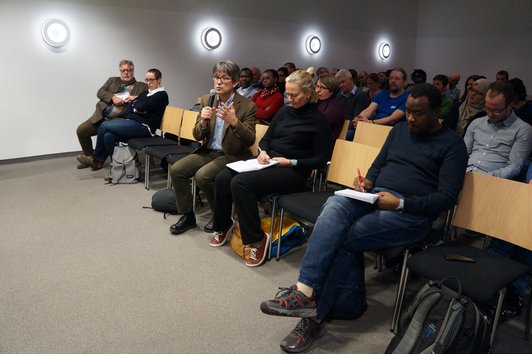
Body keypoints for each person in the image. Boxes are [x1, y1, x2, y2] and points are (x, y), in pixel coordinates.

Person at [259, 83, 468, 353]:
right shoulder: (400, 130)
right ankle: (305, 291)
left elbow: (447, 198)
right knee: (335, 204)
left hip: (411, 214)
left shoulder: (453, 145)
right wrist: (367, 181)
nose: (411, 119)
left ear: (437, 111)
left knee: (342, 236)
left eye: (419, 113)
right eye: (407, 112)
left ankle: (316, 317)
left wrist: (402, 203)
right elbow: (380, 163)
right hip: (376, 197)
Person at [209, 70, 330, 267]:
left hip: (293, 172)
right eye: (287, 94)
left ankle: (256, 239)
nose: (289, 99)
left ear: (308, 94)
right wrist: (262, 152)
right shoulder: (284, 112)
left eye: (294, 95)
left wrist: (290, 162)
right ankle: (223, 225)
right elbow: (266, 140)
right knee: (224, 176)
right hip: (269, 163)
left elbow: (321, 159)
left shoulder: (319, 121)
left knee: (241, 183)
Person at [168, 60, 256, 235]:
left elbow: (250, 140)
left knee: (203, 176)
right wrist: (202, 121)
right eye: (216, 77)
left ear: (235, 82)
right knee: (177, 169)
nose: (219, 82)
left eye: (224, 78)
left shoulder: (247, 106)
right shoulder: (208, 100)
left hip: (232, 154)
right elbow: (197, 136)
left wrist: (234, 122)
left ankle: (220, 216)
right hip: (208, 151)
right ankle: (188, 216)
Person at [76, 68, 167, 170]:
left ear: (159, 80)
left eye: (151, 80)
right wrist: (136, 106)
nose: (149, 83)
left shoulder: (161, 95)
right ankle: (118, 166)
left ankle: (96, 159)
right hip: (133, 122)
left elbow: (140, 106)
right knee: (108, 136)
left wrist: (136, 105)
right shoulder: (147, 93)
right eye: (147, 80)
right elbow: (133, 106)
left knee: (105, 125)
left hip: (145, 128)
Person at [464, 81, 532, 179]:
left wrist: (486, 177)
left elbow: (514, 166)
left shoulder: (523, 130)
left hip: (493, 179)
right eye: (487, 108)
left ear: (510, 104)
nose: (490, 114)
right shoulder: (476, 123)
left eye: (496, 111)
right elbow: (462, 153)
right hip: (464, 173)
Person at [334, 69, 369, 141]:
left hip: (352, 129)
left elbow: (356, 120)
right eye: (339, 83)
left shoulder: (360, 95)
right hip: (340, 127)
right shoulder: (338, 96)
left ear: (351, 79)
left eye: (343, 82)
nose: (340, 85)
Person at [315, 75, 344, 156]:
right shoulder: (315, 102)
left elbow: (320, 124)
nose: (317, 90)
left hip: (324, 146)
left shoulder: (336, 106)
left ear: (331, 91)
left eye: (322, 88)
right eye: (317, 86)